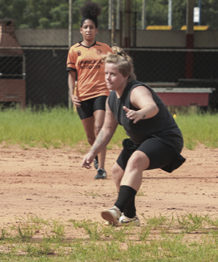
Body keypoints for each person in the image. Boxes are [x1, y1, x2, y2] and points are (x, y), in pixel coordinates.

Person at [81, 46, 185, 226]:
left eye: (113, 74)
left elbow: (152, 107)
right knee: (117, 171)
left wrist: (140, 113)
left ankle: (117, 209)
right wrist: (92, 153)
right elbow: (106, 131)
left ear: (125, 76)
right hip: (143, 142)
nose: (107, 77)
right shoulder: (112, 98)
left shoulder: (136, 90)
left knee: (136, 159)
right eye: (106, 73)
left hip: (166, 140)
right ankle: (129, 217)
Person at [67, 1, 112, 179]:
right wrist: (72, 94)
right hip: (82, 94)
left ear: (96, 30)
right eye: (85, 27)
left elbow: (115, 69)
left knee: (100, 128)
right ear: (80, 30)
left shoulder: (105, 49)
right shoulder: (74, 51)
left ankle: (101, 168)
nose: (88, 30)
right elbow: (71, 74)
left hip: (101, 93)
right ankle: (94, 154)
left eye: (91, 27)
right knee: (90, 136)